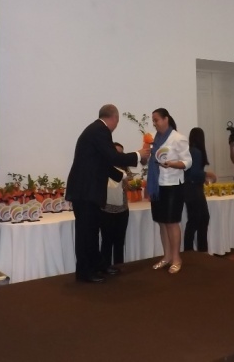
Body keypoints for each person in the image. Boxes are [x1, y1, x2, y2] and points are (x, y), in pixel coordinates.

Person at [66, 104, 150, 283]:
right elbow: (113, 157)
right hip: (86, 191)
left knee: (91, 231)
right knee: (86, 233)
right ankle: (85, 272)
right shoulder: (100, 130)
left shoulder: (95, 130)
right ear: (114, 118)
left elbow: (102, 162)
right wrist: (138, 154)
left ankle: (98, 266)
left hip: (86, 191)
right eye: (117, 122)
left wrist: (122, 176)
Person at [148, 108, 192, 274]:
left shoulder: (178, 138)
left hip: (173, 185)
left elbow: (188, 162)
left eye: (156, 120)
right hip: (158, 186)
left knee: (172, 222)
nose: (154, 123)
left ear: (166, 119)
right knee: (162, 222)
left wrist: (172, 164)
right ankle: (166, 257)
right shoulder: (155, 138)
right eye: (153, 120)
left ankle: (176, 258)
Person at [183, 127, 216, 252]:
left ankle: (194, 250)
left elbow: (190, 172)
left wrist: (203, 178)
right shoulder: (196, 152)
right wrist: (208, 174)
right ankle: (197, 250)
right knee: (197, 220)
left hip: (189, 189)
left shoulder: (190, 151)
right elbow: (194, 173)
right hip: (194, 190)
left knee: (199, 219)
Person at [99, 142, 130, 274]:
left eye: (121, 153)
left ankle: (119, 265)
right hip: (106, 210)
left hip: (122, 210)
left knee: (119, 240)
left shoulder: (125, 170)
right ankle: (104, 266)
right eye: (116, 152)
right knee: (106, 240)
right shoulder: (102, 168)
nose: (119, 155)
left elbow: (127, 188)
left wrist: (125, 180)